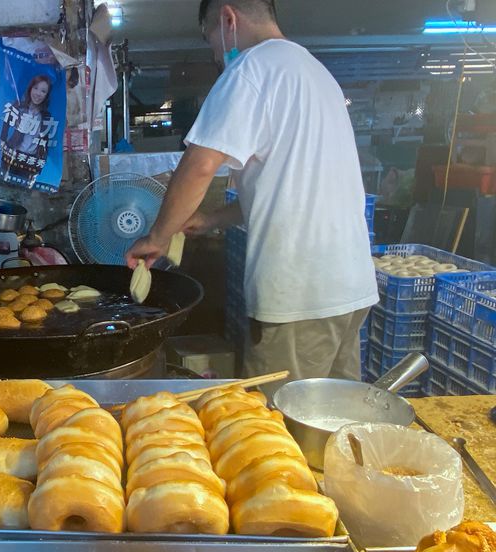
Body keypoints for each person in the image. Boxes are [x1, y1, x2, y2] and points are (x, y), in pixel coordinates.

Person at [125, 0, 378, 394]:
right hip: (349, 287)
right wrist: (210, 220)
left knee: (273, 434)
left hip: (299, 292)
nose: (215, 55)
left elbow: (200, 165)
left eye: (211, 41)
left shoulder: (251, 69)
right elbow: (288, 188)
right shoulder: (314, 72)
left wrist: (157, 238)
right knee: (333, 424)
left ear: (228, 19)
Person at [0, 75, 53, 179]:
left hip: (30, 160)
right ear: (30, 88)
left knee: (23, 190)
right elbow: (5, 123)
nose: (38, 94)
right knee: (5, 185)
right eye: (36, 88)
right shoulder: (19, 106)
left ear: (47, 95)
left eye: (43, 91)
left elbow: (45, 141)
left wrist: (42, 160)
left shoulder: (46, 117)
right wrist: (3, 140)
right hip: (12, 155)